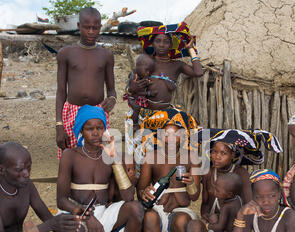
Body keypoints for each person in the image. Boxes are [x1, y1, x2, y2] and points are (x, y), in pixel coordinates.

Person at [57, 105, 144, 232]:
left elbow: (129, 197)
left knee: (136, 208)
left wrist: (114, 160)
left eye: (100, 128)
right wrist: (88, 217)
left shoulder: (110, 156)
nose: (96, 133)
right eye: (89, 128)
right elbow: (61, 200)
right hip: (76, 212)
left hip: (102, 213)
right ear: (81, 131)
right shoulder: (69, 155)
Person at [137, 108, 201, 232]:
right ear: (159, 136)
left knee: (181, 221)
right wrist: (145, 191)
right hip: (158, 207)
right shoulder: (151, 157)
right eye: (166, 135)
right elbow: (141, 189)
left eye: (176, 135)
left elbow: (195, 196)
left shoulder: (191, 157)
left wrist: (190, 183)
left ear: (184, 136)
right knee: (149, 217)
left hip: (180, 208)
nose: (171, 139)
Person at [125, 22, 203, 169]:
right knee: (143, 157)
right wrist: (132, 88)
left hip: (165, 117)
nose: (161, 44)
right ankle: (144, 187)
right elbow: (130, 87)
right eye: (158, 41)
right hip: (143, 116)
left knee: (163, 154)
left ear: (171, 45)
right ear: (152, 43)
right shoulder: (145, 62)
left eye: (166, 41)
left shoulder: (176, 65)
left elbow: (198, 72)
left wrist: (191, 49)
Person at [56, 7, 116, 159]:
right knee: (72, 155)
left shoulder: (106, 55)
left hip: (97, 113)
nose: (91, 31)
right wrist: (59, 125)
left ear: (100, 28)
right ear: (78, 26)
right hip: (72, 112)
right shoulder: (66, 53)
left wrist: (112, 99)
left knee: (99, 154)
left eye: (95, 28)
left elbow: (111, 90)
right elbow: (61, 91)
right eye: (86, 27)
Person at [124, 54, 156, 132]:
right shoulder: (134, 76)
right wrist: (148, 93)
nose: (148, 73)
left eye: (149, 71)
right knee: (136, 108)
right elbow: (135, 90)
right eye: (146, 70)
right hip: (133, 97)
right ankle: (135, 124)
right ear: (138, 66)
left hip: (140, 97)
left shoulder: (143, 74)